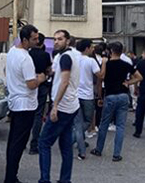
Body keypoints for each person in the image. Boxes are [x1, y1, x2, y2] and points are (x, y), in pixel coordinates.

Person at [4, 25, 47, 183]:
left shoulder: (12, 52)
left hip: (15, 103)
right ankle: (10, 178)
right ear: (24, 40)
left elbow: (10, 72)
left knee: (13, 142)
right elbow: (31, 84)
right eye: (34, 39)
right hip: (25, 104)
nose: (37, 41)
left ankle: (10, 175)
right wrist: (40, 78)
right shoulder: (25, 58)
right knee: (18, 144)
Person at [38, 30, 82, 183]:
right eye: (55, 39)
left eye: (60, 39)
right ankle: (65, 179)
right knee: (66, 146)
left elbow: (64, 82)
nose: (56, 42)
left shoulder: (65, 57)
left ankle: (45, 180)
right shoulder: (74, 55)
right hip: (72, 104)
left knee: (44, 143)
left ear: (68, 41)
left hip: (63, 106)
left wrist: (55, 105)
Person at [91, 42, 142, 162]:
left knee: (104, 123)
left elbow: (100, 80)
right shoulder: (126, 64)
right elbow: (139, 77)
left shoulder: (106, 64)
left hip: (110, 95)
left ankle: (98, 149)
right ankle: (116, 154)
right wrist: (128, 83)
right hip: (123, 95)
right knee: (120, 126)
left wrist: (99, 97)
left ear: (111, 51)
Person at [73, 39, 102, 160]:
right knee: (88, 121)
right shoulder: (91, 61)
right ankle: (73, 141)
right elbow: (100, 75)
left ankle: (81, 150)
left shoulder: (74, 59)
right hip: (87, 95)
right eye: (91, 47)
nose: (92, 49)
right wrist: (104, 63)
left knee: (78, 123)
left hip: (75, 94)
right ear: (86, 48)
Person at [28, 33, 53, 155]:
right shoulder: (45, 55)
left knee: (27, 114)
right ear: (43, 43)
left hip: (28, 85)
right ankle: (34, 144)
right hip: (42, 85)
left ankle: (23, 141)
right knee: (38, 114)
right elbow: (49, 70)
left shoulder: (27, 54)